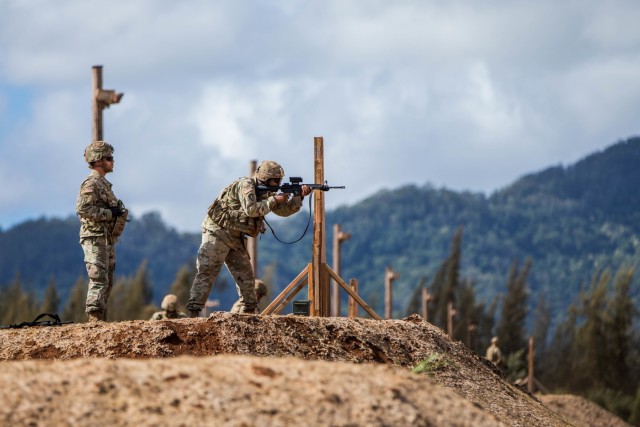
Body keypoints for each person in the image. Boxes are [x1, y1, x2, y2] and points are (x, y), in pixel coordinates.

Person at [186, 160, 311, 316]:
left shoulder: (267, 192)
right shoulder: (246, 185)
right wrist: (274, 200)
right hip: (217, 231)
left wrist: (298, 197)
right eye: (275, 180)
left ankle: (249, 314)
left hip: (235, 237)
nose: (278, 183)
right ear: (265, 178)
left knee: (246, 276)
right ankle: (193, 313)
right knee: (208, 271)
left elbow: (283, 211)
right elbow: (251, 210)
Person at [76, 141, 128, 322]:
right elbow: (84, 210)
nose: (112, 162)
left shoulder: (104, 184)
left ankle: (98, 320)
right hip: (95, 237)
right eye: (109, 158)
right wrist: (109, 213)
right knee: (98, 278)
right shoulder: (92, 183)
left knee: (107, 280)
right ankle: (94, 319)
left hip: (106, 239)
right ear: (98, 160)